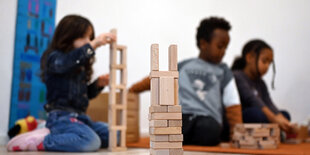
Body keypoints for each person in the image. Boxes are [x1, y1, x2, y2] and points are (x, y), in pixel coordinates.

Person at [8, 14, 116, 152]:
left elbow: (82, 96)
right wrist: (93, 45)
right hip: (61, 117)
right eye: (83, 37)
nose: (88, 41)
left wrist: (97, 85)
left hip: (81, 118)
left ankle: (59, 134)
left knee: (114, 135)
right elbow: (66, 63)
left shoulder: (79, 65)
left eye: (90, 38)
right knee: (91, 141)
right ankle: (42, 140)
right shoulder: (56, 59)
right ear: (68, 37)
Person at [129, 17, 242, 146]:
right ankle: (180, 137)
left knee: (208, 130)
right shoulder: (184, 65)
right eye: (220, 47)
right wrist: (132, 90)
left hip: (207, 119)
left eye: (226, 48)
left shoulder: (224, 71)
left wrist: (236, 135)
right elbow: (158, 78)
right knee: (165, 123)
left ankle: (183, 139)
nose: (223, 52)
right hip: (182, 116)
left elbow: (233, 104)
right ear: (203, 43)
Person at [231, 39, 292, 132]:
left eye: (269, 63)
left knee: (285, 115)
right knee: (257, 114)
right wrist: (275, 120)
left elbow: (269, 103)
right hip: (243, 116)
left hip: (262, 115)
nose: (267, 67)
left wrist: (283, 120)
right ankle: (271, 132)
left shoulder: (261, 83)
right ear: (249, 58)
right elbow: (253, 100)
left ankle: (271, 131)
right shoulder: (237, 76)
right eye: (264, 61)